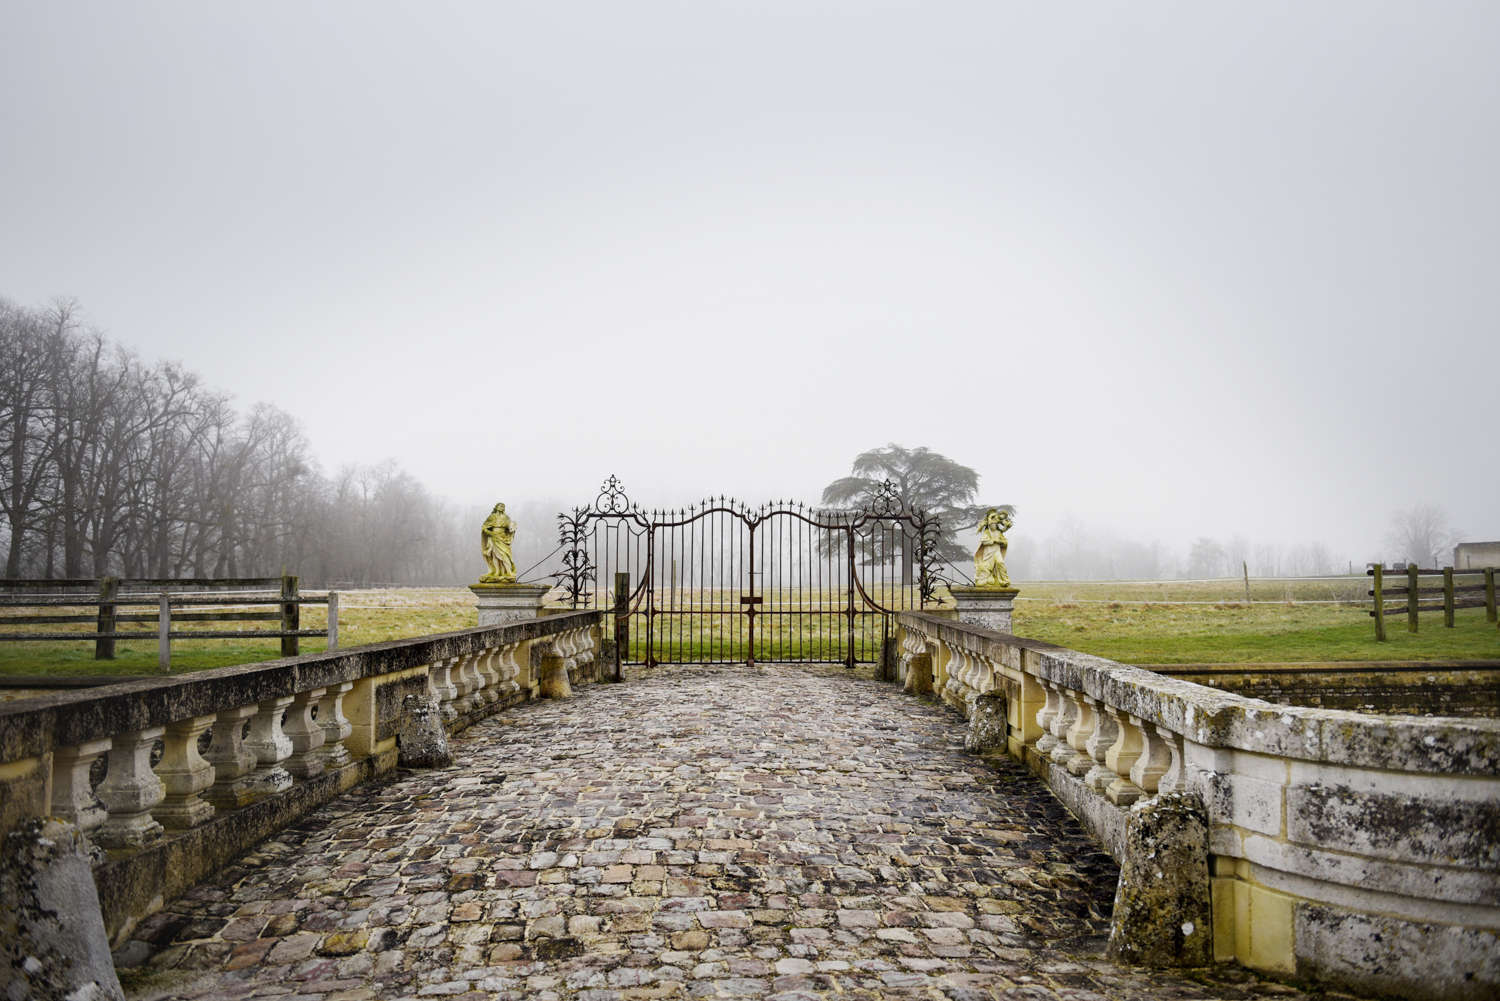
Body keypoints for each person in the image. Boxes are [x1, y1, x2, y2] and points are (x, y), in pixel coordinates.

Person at [974, 507, 1013, 587]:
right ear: (989, 525)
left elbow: (1005, 542)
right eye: (991, 525)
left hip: (997, 552)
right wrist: (993, 540)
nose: (993, 526)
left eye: (994, 525)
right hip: (988, 553)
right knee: (987, 567)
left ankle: (1004, 580)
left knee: (1000, 563)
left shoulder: (999, 533)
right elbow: (983, 542)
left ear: (996, 525)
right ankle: (988, 579)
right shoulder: (987, 532)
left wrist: (1001, 542)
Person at [480, 502, 517, 583]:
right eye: (500, 506)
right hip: (493, 537)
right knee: (495, 555)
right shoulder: (492, 517)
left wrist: (513, 525)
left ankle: (508, 571)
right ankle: (497, 571)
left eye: (503, 506)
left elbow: (510, 527)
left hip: (503, 538)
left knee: (505, 554)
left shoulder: (506, 517)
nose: (502, 507)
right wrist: (490, 534)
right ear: (496, 507)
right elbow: (484, 528)